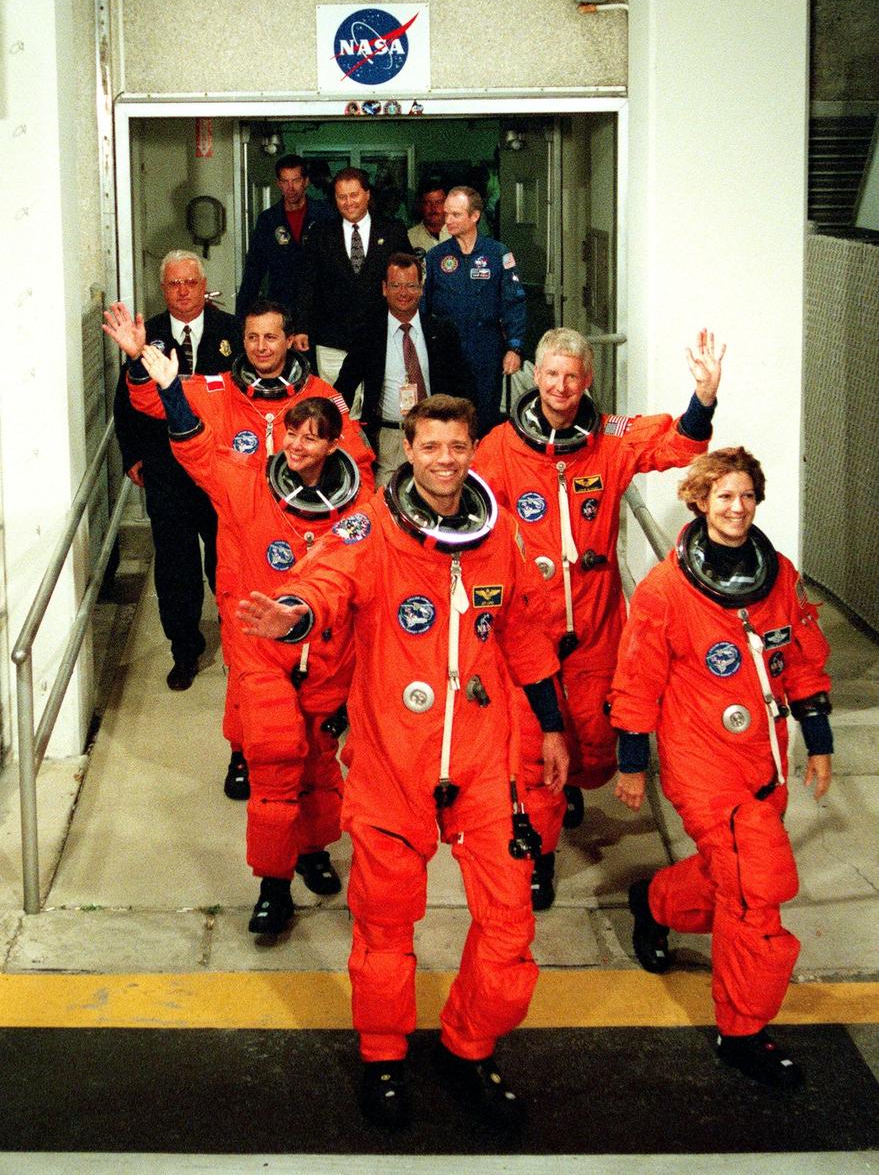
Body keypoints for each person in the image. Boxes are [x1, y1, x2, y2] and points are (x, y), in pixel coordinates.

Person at [237, 395, 568, 1131]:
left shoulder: (502, 537)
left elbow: (525, 637)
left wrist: (550, 728)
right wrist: (294, 613)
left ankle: (468, 1046)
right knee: (384, 935)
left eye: (457, 447)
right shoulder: (372, 529)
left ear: (472, 450)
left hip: (483, 767)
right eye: (431, 447)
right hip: (393, 765)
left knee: (510, 934)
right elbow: (323, 582)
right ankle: (384, 1056)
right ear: (408, 452)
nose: (445, 460)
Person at [474, 326, 723, 909]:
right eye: (551, 375)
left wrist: (703, 399)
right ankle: (538, 853)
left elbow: (675, 447)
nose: (561, 387)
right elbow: (474, 519)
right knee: (536, 746)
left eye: (572, 377)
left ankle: (571, 789)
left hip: (595, 624)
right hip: (531, 625)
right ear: (535, 377)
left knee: (592, 736)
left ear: (587, 380)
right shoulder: (499, 448)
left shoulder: (606, 439)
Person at [610, 447, 833, 1088]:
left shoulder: (779, 576)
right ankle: (743, 1030)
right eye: (724, 496)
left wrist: (817, 741)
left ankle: (653, 902)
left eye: (747, 497)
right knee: (758, 892)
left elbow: (805, 660)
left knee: (728, 878)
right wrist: (631, 764)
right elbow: (636, 683)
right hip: (702, 764)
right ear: (700, 501)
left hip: (765, 759)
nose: (737, 508)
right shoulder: (666, 591)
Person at [103, 298, 375, 801]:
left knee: (309, 664)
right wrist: (139, 360)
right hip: (241, 550)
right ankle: (240, 750)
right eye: (252, 337)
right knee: (245, 662)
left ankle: (304, 755)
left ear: (290, 340)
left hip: (307, 555)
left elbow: (356, 466)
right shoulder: (219, 390)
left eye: (270, 337)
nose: (260, 347)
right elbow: (154, 400)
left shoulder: (321, 398)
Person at [138, 342, 369, 933]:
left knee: (318, 760)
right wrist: (169, 389)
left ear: (332, 445)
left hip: (324, 653)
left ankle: (313, 849)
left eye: (312, 437)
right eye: (292, 434)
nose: (297, 445)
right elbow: (196, 451)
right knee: (272, 757)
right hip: (264, 652)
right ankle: (274, 885)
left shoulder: (359, 507)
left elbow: (369, 579)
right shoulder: (248, 483)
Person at [111, 250, 241, 692]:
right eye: (173, 284)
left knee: (226, 560)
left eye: (190, 282)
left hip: (220, 470)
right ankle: (184, 650)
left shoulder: (233, 331)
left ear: (205, 286)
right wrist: (134, 458)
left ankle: (241, 643)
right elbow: (124, 404)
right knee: (175, 567)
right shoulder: (147, 337)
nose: (183, 291)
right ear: (163, 289)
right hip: (167, 472)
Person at [335, 253, 474, 485]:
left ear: (421, 288)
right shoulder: (368, 332)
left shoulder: (443, 331)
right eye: (396, 285)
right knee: (387, 506)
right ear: (384, 288)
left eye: (411, 285)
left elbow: (464, 386)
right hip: (388, 440)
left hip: (437, 435)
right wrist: (338, 429)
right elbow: (344, 387)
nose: (403, 293)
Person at [421, 185, 526, 436]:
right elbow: (423, 306)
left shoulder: (497, 254)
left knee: (486, 415)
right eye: (447, 214)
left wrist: (514, 347)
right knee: (448, 417)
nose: (448, 220)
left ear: (475, 216)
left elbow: (514, 302)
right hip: (446, 351)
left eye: (456, 215)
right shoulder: (436, 257)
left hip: (486, 348)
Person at [296, 166, 412, 386]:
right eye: (342, 197)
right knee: (338, 407)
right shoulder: (320, 234)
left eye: (354, 195)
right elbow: (307, 283)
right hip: (333, 340)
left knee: (377, 406)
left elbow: (407, 281)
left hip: (382, 336)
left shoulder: (393, 230)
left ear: (367, 194)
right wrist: (301, 327)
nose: (348, 202)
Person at [235, 153, 330, 325]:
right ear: (278, 183)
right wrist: (240, 319)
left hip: (319, 308)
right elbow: (253, 271)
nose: (290, 187)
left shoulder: (325, 215)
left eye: (296, 180)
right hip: (281, 309)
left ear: (306, 181)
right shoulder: (269, 220)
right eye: (285, 181)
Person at [406, 179, 450, 254]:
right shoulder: (410, 238)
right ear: (420, 205)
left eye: (438, 202)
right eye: (427, 203)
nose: (433, 208)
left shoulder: (460, 233)